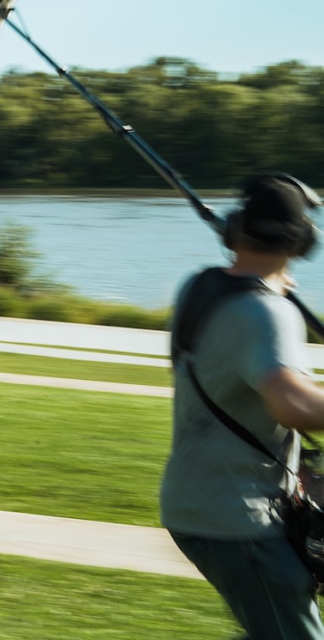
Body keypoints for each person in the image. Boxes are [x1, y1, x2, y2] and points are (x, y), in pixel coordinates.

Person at [160, 173, 324, 638]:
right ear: (304, 240)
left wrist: (270, 282)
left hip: (200, 503)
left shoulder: (201, 288)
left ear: (236, 228)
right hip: (239, 517)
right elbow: (290, 404)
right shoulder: (267, 311)